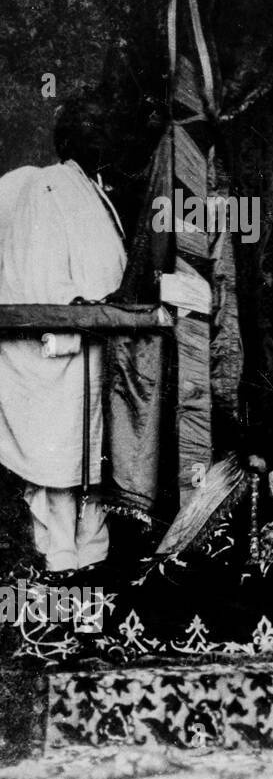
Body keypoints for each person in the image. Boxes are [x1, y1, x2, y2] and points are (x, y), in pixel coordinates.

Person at [0, 96, 126, 571]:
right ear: (68, 138)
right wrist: (71, 321)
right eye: (92, 125)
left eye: (105, 125)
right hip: (59, 346)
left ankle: (92, 554)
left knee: (92, 457)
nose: (103, 135)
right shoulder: (49, 184)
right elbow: (39, 267)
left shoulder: (95, 190)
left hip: (97, 345)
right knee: (60, 456)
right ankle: (61, 557)